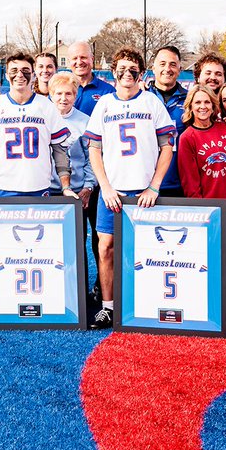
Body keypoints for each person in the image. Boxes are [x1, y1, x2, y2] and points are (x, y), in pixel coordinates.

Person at [85, 48, 175, 329]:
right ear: (113, 72)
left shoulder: (152, 103)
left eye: (132, 69)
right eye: (121, 69)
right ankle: (108, 307)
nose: (127, 74)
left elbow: (166, 148)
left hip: (143, 192)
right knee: (106, 247)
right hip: (113, 191)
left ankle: (145, 303)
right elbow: (94, 150)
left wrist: (154, 187)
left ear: (142, 73)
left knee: (149, 249)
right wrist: (106, 188)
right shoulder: (104, 105)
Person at [0, 52, 74, 204]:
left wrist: (66, 187)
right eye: (14, 71)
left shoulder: (47, 106)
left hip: (39, 187)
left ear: (33, 75)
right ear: (6, 75)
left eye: (25, 70)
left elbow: (60, 150)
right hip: (4, 186)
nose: (19, 75)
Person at [69, 40, 116, 272]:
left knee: (102, 237)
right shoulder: (61, 89)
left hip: (101, 177)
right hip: (70, 180)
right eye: (74, 58)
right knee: (72, 237)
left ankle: (101, 286)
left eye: (84, 57)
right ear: (68, 62)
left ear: (92, 59)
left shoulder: (107, 91)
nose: (79, 62)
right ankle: (74, 290)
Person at [177, 84, 226, 202]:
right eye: (197, 102)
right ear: (190, 106)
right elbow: (190, 182)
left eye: (207, 102)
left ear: (213, 105)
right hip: (209, 210)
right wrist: (202, 208)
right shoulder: (187, 138)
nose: (203, 106)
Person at [145, 46, 188, 197]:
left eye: (172, 64)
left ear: (180, 69)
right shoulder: (140, 97)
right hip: (144, 183)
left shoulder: (191, 100)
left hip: (179, 183)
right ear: (153, 67)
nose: (167, 69)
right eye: (162, 64)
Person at [47, 71, 94, 204]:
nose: (63, 98)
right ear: (51, 95)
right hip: (48, 189)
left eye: (68, 93)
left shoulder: (86, 122)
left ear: (75, 96)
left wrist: (88, 186)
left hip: (77, 190)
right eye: (59, 93)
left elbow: (91, 157)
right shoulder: (42, 119)